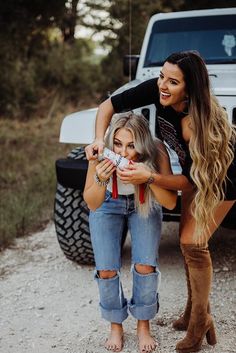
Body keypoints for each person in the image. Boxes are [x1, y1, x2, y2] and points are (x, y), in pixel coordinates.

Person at [85, 51, 236, 353]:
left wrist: (150, 177)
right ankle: (192, 313)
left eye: (173, 81)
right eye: (162, 76)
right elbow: (107, 106)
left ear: (190, 89)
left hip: (223, 176)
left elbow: (190, 182)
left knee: (194, 243)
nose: (163, 86)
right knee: (185, 241)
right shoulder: (157, 90)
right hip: (194, 173)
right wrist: (100, 140)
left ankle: (199, 323)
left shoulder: (196, 123)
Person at [83, 112, 177, 353]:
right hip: (107, 204)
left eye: (131, 145)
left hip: (142, 203)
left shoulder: (157, 151)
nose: (123, 153)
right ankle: (116, 325)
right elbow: (92, 203)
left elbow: (170, 203)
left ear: (143, 143)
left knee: (145, 265)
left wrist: (148, 177)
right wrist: (101, 178)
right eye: (118, 143)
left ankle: (143, 325)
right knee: (106, 269)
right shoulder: (100, 151)